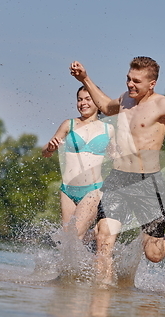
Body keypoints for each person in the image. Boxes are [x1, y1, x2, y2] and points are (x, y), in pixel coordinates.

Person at [69, 56, 165, 284]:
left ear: (152, 84)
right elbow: (107, 107)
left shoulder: (163, 105)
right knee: (104, 241)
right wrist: (85, 79)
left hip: (148, 183)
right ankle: (103, 300)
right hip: (118, 179)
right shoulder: (124, 101)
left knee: (154, 254)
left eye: (136, 81)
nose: (130, 84)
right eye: (128, 79)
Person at [42, 87, 114, 241]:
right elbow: (45, 153)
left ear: (97, 100)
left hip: (93, 189)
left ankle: (98, 234)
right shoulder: (69, 124)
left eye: (87, 99)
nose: (83, 103)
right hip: (67, 189)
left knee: (74, 236)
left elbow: (118, 157)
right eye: (80, 99)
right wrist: (50, 147)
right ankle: (96, 236)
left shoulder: (109, 129)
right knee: (69, 240)